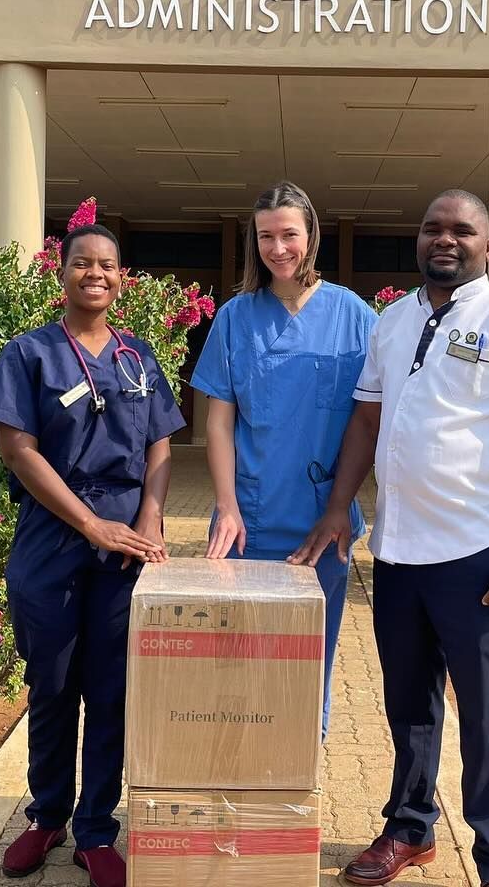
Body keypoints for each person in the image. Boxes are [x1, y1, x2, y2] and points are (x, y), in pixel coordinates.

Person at [292, 190, 489, 887]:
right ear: (417, 241)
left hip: (480, 556)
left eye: (462, 230)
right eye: (432, 229)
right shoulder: (393, 321)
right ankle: (410, 829)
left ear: (488, 246)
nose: (445, 240)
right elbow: (366, 421)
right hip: (398, 553)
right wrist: (338, 508)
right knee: (409, 706)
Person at [0, 223, 184, 887]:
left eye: (108, 265)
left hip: (125, 544)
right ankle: (46, 818)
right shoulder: (29, 353)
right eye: (83, 263)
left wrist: (148, 517)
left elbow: (161, 445)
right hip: (53, 535)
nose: (96, 274)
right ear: (61, 273)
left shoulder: (136, 355)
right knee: (53, 684)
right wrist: (91, 524)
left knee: (112, 688)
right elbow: (18, 451)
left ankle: (96, 830)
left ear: (122, 278)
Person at [189, 181, 377, 737]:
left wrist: (342, 506)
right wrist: (226, 505)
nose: (278, 248)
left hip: (324, 522)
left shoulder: (354, 315)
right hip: (248, 519)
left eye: (289, 234)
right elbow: (219, 422)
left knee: (308, 662)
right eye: (266, 236)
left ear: (311, 235)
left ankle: (297, 773)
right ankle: (238, 769)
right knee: (238, 664)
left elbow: (371, 420)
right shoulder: (235, 317)